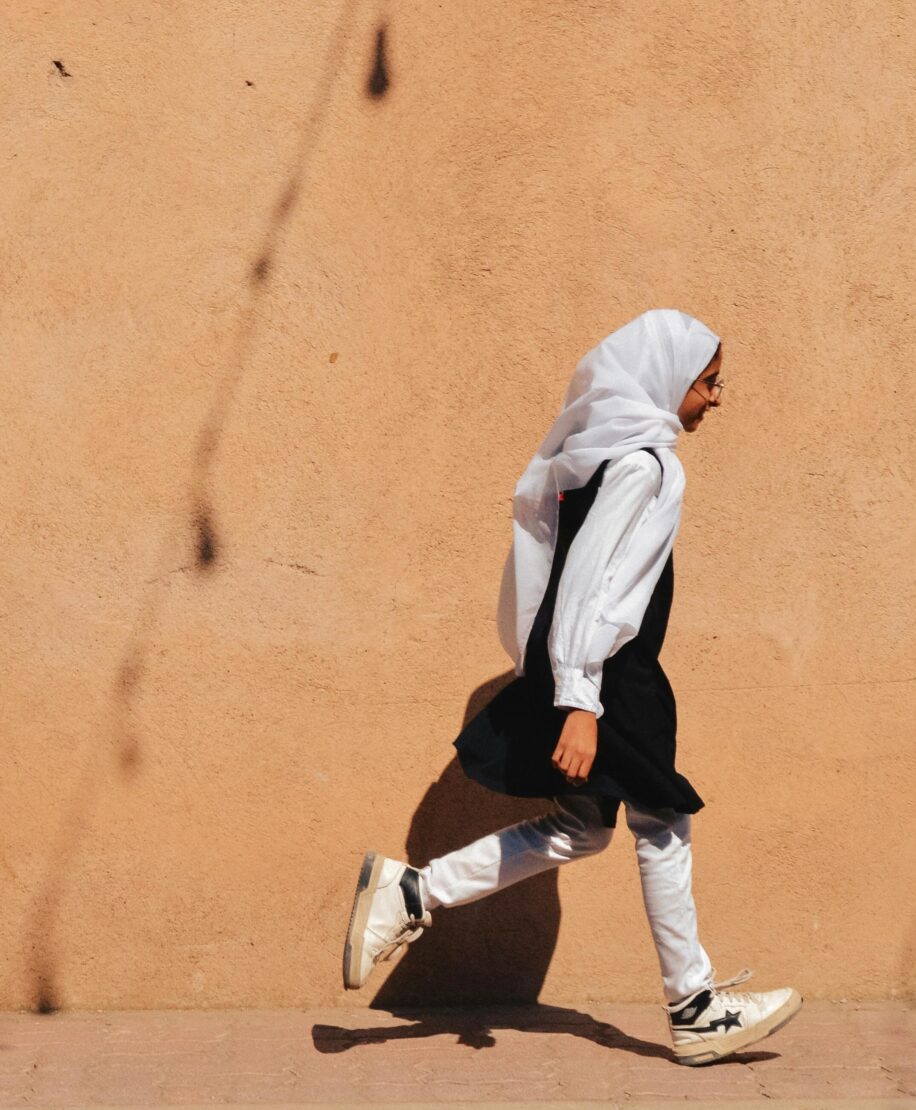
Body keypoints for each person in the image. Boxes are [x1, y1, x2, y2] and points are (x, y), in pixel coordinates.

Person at [342, 310, 801, 1063]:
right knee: (663, 823)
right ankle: (693, 1006)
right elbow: (590, 586)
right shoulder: (647, 463)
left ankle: (412, 894)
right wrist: (581, 701)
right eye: (708, 383)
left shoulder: (592, 455)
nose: (716, 399)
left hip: (587, 669)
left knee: (581, 829)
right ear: (665, 382)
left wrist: (565, 683)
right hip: (612, 674)